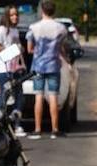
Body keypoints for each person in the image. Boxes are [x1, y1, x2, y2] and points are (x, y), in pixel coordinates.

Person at [26, 0, 69, 139]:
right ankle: (55, 129)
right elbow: (62, 48)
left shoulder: (34, 27)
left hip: (38, 66)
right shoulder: (61, 28)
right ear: (54, 11)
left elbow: (29, 49)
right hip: (54, 65)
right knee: (53, 97)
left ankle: (37, 129)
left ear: (42, 11)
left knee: (38, 96)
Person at [0, 4, 27, 136]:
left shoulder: (15, 30)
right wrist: (12, 49)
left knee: (19, 96)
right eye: (12, 15)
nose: (15, 17)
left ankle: (17, 124)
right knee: (4, 96)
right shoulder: (2, 30)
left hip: (15, 69)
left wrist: (19, 49)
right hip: (4, 70)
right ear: (7, 16)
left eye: (16, 14)